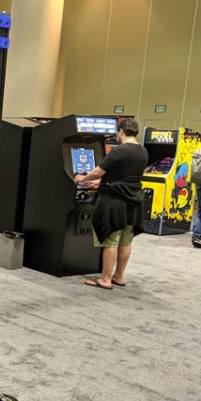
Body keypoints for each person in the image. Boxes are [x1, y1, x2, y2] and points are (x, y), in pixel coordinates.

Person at [75, 118, 148, 289]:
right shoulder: (143, 151)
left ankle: (105, 279)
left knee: (111, 240)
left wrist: (83, 178)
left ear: (121, 131)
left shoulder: (119, 150)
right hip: (134, 201)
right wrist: (100, 182)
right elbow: (126, 175)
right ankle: (119, 276)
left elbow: (97, 171)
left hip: (115, 201)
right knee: (126, 241)